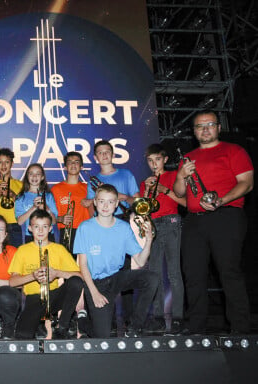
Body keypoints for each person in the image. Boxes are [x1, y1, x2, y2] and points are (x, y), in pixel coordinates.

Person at [174, 110, 254, 335]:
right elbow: (180, 192)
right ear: (194, 132)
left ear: (219, 127)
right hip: (194, 221)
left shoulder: (234, 150)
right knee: (193, 274)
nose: (205, 129)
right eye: (200, 126)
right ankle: (196, 327)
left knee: (229, 272)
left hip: (226, 216)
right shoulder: (187, 158)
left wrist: (222, 200)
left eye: (210, 124)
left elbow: (246, 184)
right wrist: (181, 176)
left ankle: (240, 329)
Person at [74, 184, 158, 338]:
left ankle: (134, 328)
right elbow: (83, 265)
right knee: (102, 337)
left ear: (117, 204)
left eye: (110, 202)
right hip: (96, 283)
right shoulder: (84, 228)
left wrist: (149, 241)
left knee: (151, 278)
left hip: (116, 278)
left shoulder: (124, 228)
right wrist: (94, 293)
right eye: (101, 201)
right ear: (95, 202)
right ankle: (83, 322)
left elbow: (140, 261)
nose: (105, 206)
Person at [8, 209, 84, 339]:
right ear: (30, 228)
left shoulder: (59, 249)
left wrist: (57, 273)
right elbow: (12, 282)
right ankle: (39, 322)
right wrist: (33, 276)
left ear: (50, 229)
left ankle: (63, 324)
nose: (41, 231)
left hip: (54, 296)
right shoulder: (22, 250)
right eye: (36, 226)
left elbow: (81, 277)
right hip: (34, 298)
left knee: (75, 282)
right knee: (23, 335)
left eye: (44, 227)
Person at [138, 144, 186, 334]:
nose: (153, 164)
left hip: (172, 222)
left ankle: (178, 317)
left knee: (174, 273)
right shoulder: (145, 182)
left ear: (165, 159)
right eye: (150, 160)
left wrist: (165, 191)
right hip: (153, 226)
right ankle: (158, 317)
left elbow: (185, 202)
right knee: (155, 274)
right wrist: (146, 192)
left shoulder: (174, 176)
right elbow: (143, 207)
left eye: (157, 159)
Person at [82, 140, 139, 216]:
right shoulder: (92, 182)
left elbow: (138, 203)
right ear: (95, 157)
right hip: (102, 219)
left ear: (113, 155)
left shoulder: (126, 174)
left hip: (125, 218)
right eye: (100, 153)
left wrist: (125, 197)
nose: (104, 154)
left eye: (107, 151)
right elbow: (91, 209)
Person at [51, 151, 91, 252]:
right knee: (68, 266)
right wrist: (60, 219)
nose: (73, 164)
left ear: (81, 167)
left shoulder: (88, 188)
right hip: (65, 232)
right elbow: (48, 215)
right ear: (65, 167)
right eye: (70, 162)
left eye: (77, 162)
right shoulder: (55, 189)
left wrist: (92, 202)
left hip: (86, 231)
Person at [15, 163, 59, 243]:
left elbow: (54, 221)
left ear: (42, 177)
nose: (34, 176)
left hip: (47, 235)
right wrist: (34, 208)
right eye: (31, 174)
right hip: (30, 236)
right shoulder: (21, 197)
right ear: (27, 177)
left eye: (38, 174)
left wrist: (47, 208)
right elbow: (20, 221)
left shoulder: (48, 196)